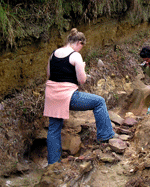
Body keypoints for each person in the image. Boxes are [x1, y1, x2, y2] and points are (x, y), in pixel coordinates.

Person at [43, 28, 115, 165]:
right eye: (82, 46)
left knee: (54, 128)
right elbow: (82, 80)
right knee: (99, 102)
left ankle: (53, 163)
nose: (81, 49)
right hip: (68, 96)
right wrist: (82, 67)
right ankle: (105, 136)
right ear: (79, 43)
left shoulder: (53, 54)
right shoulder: (75, 56)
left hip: (51, 95)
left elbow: (48, 74)